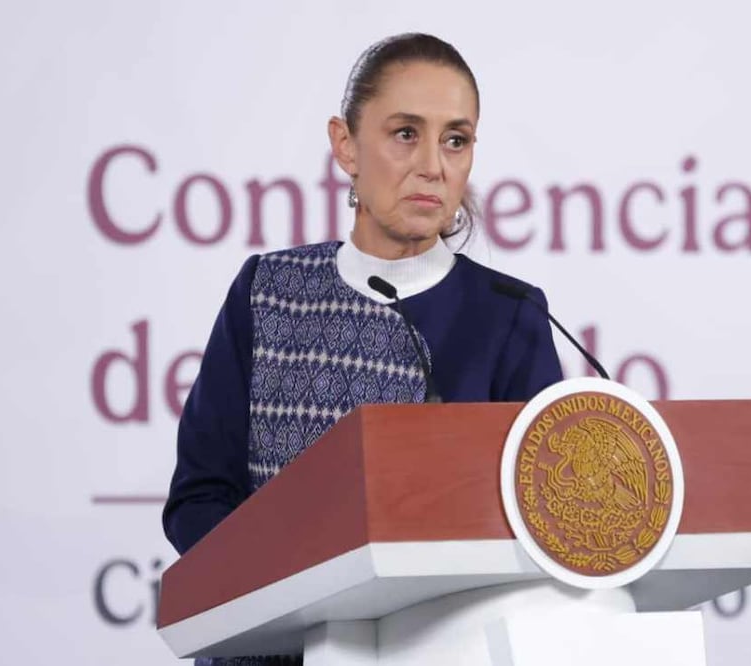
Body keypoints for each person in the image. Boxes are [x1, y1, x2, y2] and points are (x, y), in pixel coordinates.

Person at [162, 32, 563, 665]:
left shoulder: (509, 315)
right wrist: (306, 588)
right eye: (406, 133)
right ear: (345, 146)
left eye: (455, 140)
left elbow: (543, 522)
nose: (433, 164)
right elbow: (198, 501)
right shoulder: (268, 293)